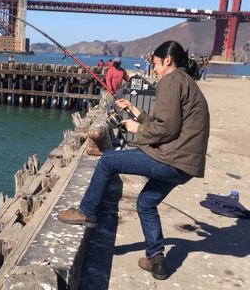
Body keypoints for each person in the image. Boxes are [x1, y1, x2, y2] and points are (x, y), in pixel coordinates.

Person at [58, 40, 210, 280]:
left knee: (108, 160)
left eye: (156, 64)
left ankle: (86, 212)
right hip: (186, 165)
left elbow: (167, 129)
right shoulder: (187, 83)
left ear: (167, 61)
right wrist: (135, 111)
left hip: (171, 158)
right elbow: (168, 122)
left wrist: (137, 128)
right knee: (146, 203)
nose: (154, 70)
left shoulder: (170, 80)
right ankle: (156, 259)